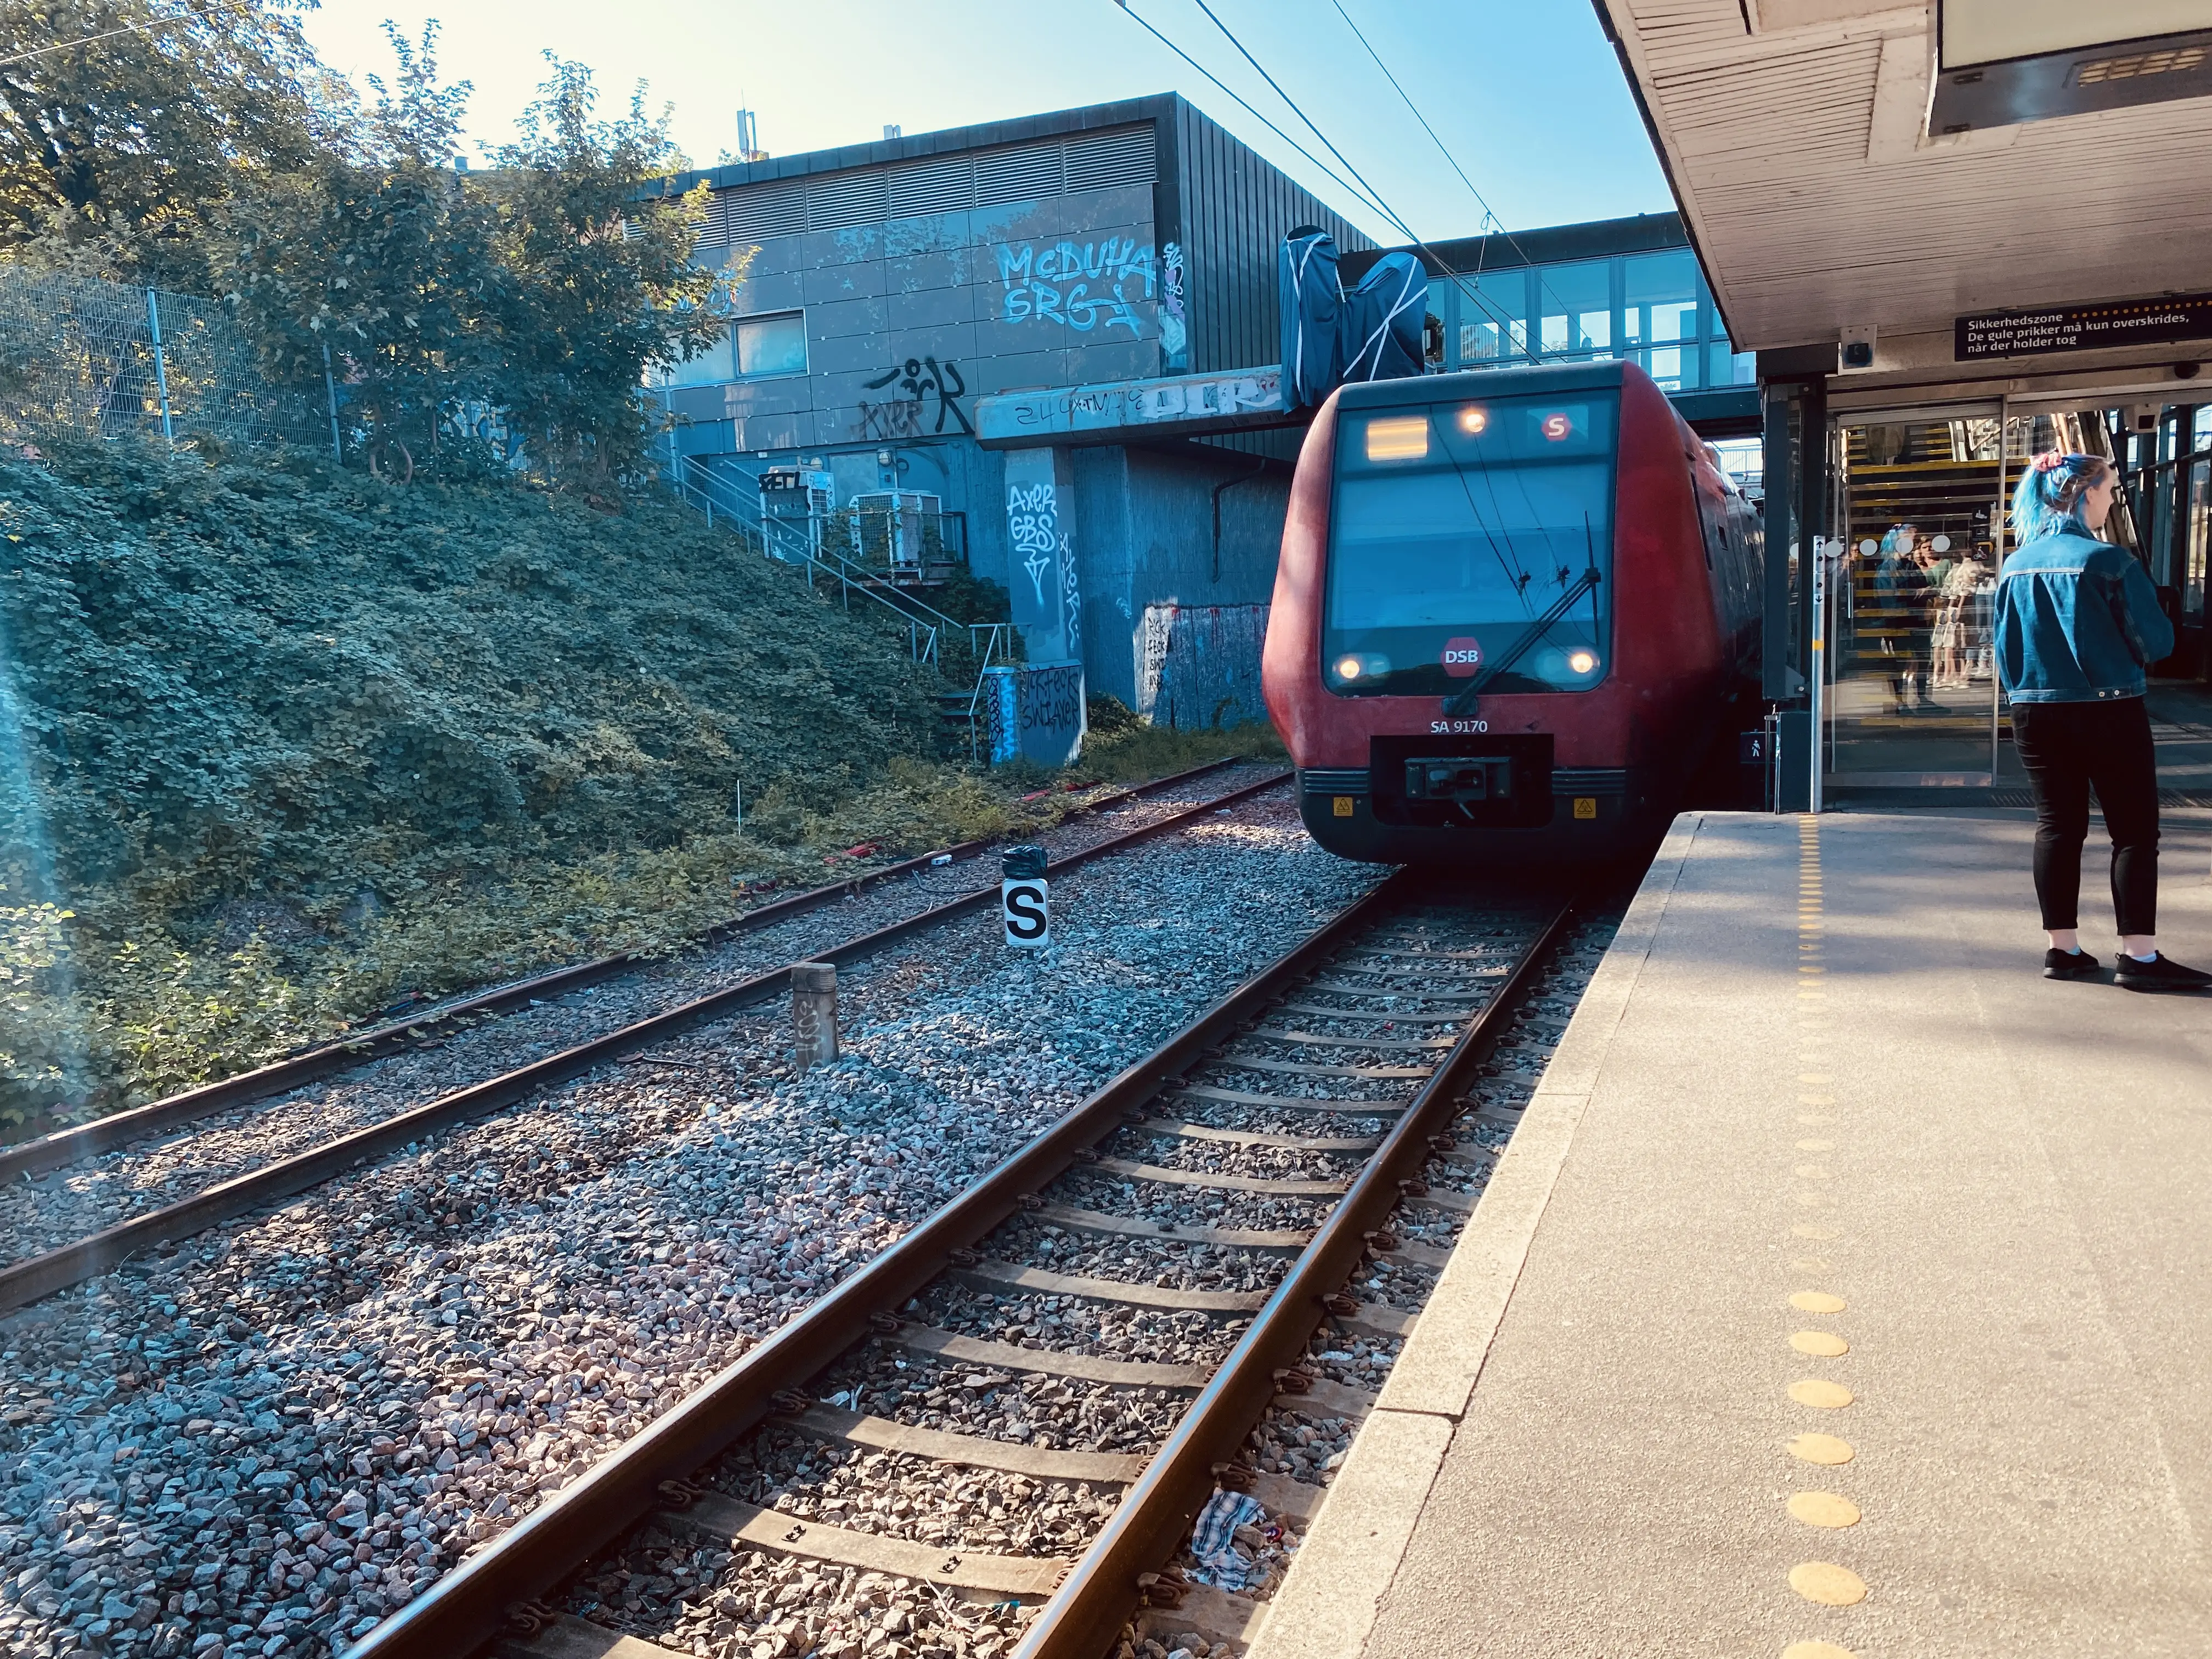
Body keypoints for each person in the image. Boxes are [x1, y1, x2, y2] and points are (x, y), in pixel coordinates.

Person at [1994, 452, 2209, 990]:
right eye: (2110, 490)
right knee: (2134, 831)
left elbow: (2002, 649)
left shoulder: (2014, 566)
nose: (2112, 501)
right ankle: (2139, 956)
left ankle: (2062, 950)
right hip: (2109, 709)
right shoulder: (2109, 562)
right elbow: (2156, 642)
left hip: (2034, 711)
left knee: (2059, 826)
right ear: (2083, 492)